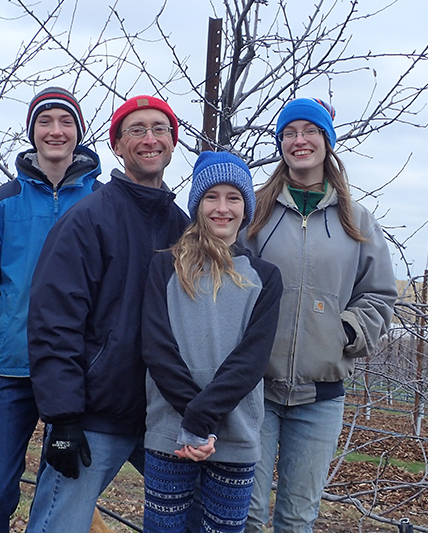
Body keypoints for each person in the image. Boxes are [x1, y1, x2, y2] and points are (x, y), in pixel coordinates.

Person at [25, 95, 191, 533]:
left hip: (163, 415)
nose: (149, 139)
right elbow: (53, 321)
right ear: (117, 145)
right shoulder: (88, 220)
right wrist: (63, 417)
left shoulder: (185, 229)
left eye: (160, 129)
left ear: (173, 143)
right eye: (136, 130)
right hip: (95, 415)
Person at [240, 98, 398, 533]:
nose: (299, 140)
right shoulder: (254, 212)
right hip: (255, 390)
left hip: (321, 396)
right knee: (247, 517)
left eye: (310, 131)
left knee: (296, 520)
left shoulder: (357, 219)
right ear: (280, 144)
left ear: (327, 141)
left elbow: (380, 294)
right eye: (289, 133)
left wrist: (344, 332)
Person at [0, 86, 101, 533]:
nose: (55, 130)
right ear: (32, 131)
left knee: (58, 489)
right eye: (45, 121)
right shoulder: (4, 202)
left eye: (66, 121)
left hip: (76, 371)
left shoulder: (100, 201)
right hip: (14, 367)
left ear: (79, 132)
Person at [142, 151, 283, 533]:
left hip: (234, 434)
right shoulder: (163, 267)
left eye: (233, 197)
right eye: (211, 197)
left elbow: (250, 362)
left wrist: (200, 420)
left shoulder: (266, 277)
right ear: (197, 204)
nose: (222, 208)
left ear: (246, 207)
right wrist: (191, 423)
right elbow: (157, 349)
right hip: (170, 434)